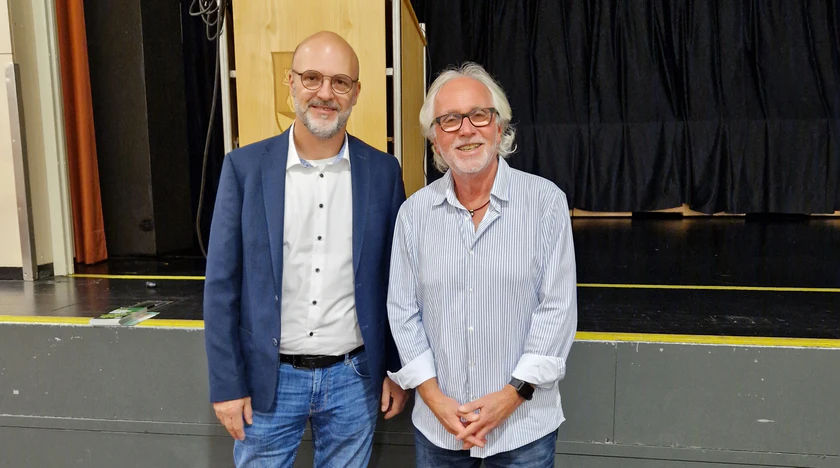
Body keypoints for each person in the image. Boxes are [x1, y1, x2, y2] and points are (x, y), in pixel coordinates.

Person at [203, 31, 408, 468]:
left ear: (356, 92)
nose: (325, 93)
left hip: (355, 379)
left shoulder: (384, 173)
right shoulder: (243, 169)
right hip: (267, 380)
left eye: (340, 82)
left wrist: (394, 368)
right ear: (290, 81)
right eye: (312, 77)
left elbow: (395, 281)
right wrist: (226, 384)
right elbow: (221, 285)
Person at [387, 62, 578, 466]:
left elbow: (557, 310)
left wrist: (512, 396)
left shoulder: (546, 203)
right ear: (435, 138)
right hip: (441, 427)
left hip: (523, 426)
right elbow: (403, 313)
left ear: (499, 127)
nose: (466, 130)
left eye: (479, 115)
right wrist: (435, 400)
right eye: (450, 120)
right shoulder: (413, 215)